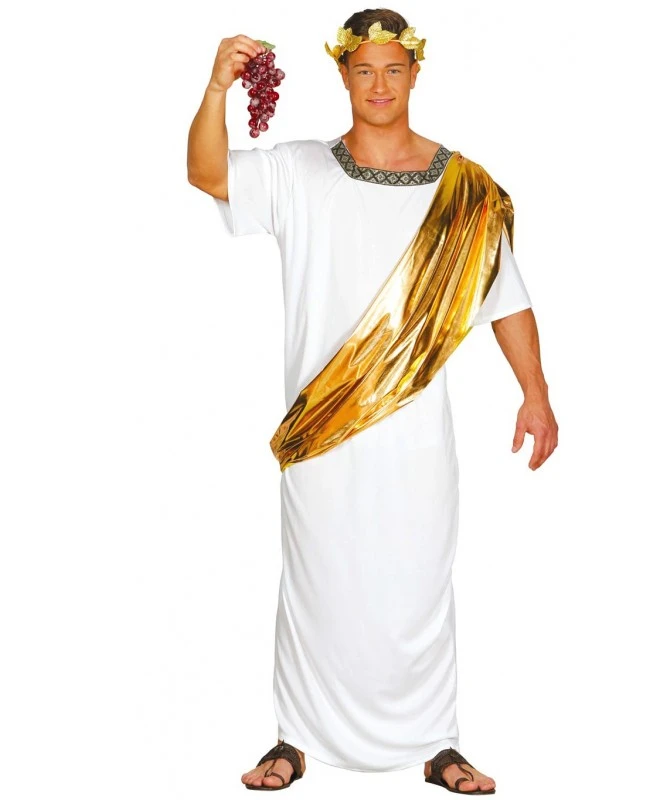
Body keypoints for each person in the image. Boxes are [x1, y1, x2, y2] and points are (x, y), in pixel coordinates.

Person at [187, 8, 558, 794]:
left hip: (417, 436)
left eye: (393, 69)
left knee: (418, 585)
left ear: (415, 73)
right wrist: (218, 86)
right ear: (344, 76)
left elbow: (507, 296)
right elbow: (208, 173)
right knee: (316, 582)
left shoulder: (465, 190)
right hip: (324, 434)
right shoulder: (298, 171)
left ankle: (438, 743)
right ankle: (293, 739)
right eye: (364, 70)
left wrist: (536, 393)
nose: (379, 85)